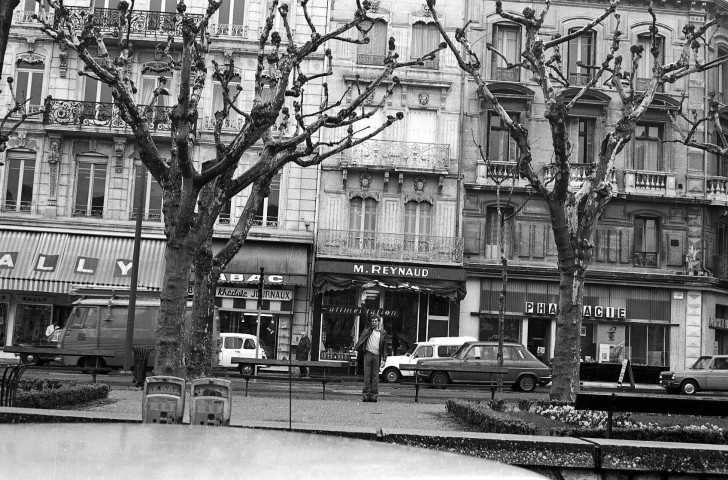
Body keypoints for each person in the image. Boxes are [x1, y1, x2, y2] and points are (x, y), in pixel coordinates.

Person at [354, 314, 387, 402]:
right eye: (372, 321)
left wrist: (384, 359)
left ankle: (374, 395)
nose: (374, 323)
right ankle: (365, 395)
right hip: (368, 354)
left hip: (377, 355)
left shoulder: (383, 333)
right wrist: (363, 303)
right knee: (367, 376)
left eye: (375, 321)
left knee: (375, 377)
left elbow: (384, 347)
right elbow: (364, 318)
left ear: (379, 322)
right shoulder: (368, 330)